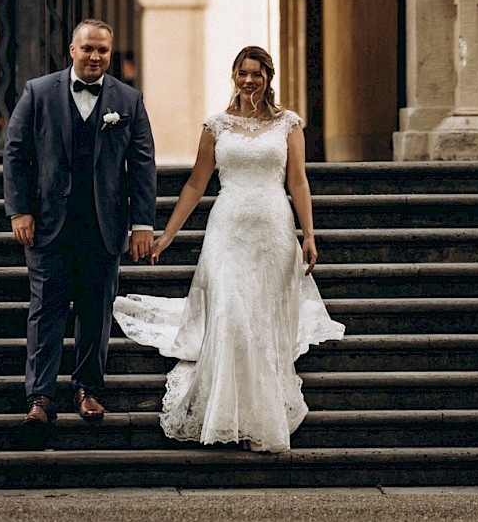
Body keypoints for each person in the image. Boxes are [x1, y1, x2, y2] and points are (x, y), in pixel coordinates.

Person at [113, 44, 344, 453]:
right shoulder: (215, 126)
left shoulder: (289, 124)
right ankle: (224, 410)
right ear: (234, 76)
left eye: (257, 73)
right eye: (243, 73)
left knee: (260, 317)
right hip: (227, 229)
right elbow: (195, 185)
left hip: (272, 228)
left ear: (269, 78)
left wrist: (308, 235)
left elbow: (298, 182)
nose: (249, 80)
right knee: (230, 311)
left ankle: (259, 410)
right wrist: (167, 234)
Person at [2, 19, 157, 437]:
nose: (95, 57)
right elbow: (15, 153)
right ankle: (40, 397)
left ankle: (87, 388)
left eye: (103, 51)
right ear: (71, 50)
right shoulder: (39, 92)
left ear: (110, 53)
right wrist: (19, 211)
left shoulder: (128, 99)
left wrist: (142, 223)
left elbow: (142, 165)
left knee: (96, 311)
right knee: (45, 311)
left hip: (104, 225)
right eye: (88, 49)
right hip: (48, 224)